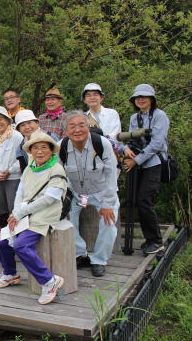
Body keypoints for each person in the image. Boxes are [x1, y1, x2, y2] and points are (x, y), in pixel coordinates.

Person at [0, 130, 67, 305]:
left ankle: (49, 281)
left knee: (21, 245)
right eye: (35, 148)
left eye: (43, 148)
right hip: (25, 212)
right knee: (3, 241)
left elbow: (49, 199)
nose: (39, 152)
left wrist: (20, 212)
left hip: (44, 215)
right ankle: (10, 273)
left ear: (51, 150)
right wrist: (15, 212)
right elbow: (20, 192)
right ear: (31, 151)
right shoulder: (30, 168)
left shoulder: (57, 169)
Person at [59, 111, 118, 277]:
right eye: (72, 126)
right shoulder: (61, 146)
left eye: (81, 125)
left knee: (109, 222)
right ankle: (79, 253)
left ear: (88, 127)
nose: (77, 130)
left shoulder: (102, 144)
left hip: (102, 193)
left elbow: (111, 176)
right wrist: (63, 200)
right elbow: (57, 175)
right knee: (65, 219)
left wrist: (107, 204)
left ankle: (99, 260)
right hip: (77, 194)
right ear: (66, 130)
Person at [123, 84, 169, 255]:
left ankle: (156, 241)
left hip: (154, 163)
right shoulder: (135, 117)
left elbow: (157, 143)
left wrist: (137, 160)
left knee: (144, 200)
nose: (141, 99)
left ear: (151, 99)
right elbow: (131, 138)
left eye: (145, 97)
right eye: (138, 97)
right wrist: (126, 151)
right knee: (135, 200)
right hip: (138, 162)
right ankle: (150, 240)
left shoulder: (159, 116)